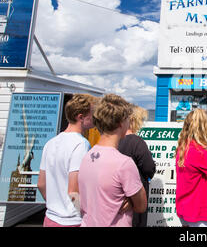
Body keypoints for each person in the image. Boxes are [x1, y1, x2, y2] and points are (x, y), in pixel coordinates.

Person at [78, 94, 147, 227]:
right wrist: (131, 201)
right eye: (128, 119)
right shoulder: (124, 163)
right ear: (121, 123)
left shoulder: (87, 156)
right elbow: (141, 206)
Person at [37, 93, 99, 227]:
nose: (94, 118)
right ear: (81, 117)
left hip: (50, 218)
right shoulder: (81, 144)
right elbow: (73, 190)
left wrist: (56, 205)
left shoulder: (51, 143)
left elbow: (41, 184)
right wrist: (83, 214)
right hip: (71, 221)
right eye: (92, 114)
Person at [175, 109, 207, 227]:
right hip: (200, 212)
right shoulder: (201, 152)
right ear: (204, 128)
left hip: (184, 209)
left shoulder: (182, 148)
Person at [118, 104, 156, 227]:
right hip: (135, 197)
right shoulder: (137, 142)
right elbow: (149, 168)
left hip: (117, 196)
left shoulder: (116, 140)